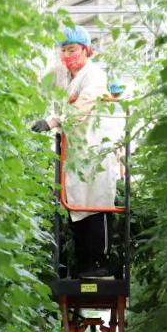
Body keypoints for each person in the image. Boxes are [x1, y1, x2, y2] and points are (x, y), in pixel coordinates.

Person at [31, 26, 118, 279]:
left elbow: (82, 107)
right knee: (76, 205)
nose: (68, 55)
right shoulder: (63, 73)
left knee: (96, 203)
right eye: (64, 50)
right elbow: (40, 82)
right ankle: (82, 265)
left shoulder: (94, 76)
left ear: (86, 50)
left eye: (72, 50)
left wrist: (53, 121)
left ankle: (99, 263)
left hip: (94, 150)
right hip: (74, 153)